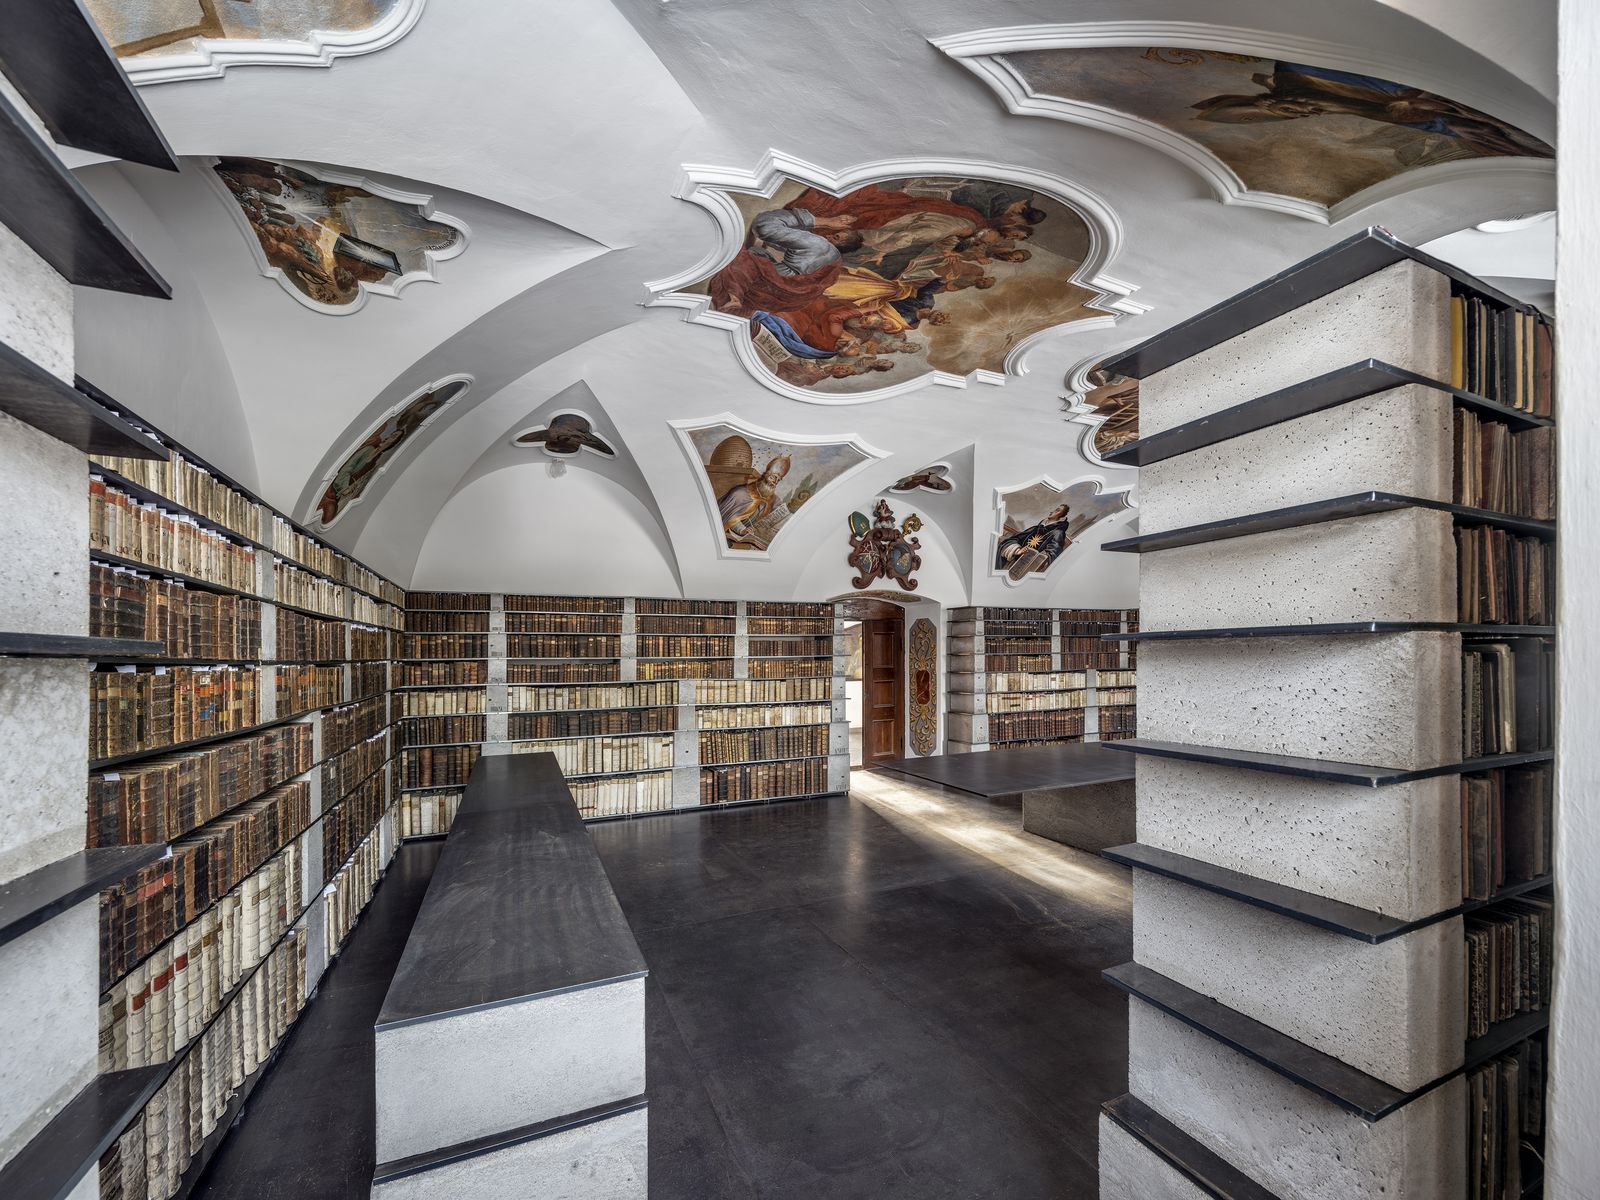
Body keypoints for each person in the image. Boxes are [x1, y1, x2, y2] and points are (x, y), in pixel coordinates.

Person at [1191, 62, 1554, 159]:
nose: (1301, 113)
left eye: (1288, 110)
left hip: (1438, 93)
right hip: (1437, 113)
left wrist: (1413, 102)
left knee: (1488, 125)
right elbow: (1382, 112)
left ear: (1269, 101)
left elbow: (1387, 90)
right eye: (1291, 116)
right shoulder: (1316, 104)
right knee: (1488, 137)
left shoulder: (1299, 75)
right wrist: (1446, 127)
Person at [995, 503, 1073, 576]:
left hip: (1026, 570)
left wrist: (1041, 556)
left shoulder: (1058, 533)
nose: (1052, 512)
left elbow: (1052, 555)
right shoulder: (1036, 528)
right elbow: (1015, 539)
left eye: (1057, 510)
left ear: (1062, 517)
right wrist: (1017, 550)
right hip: (1012, 563)